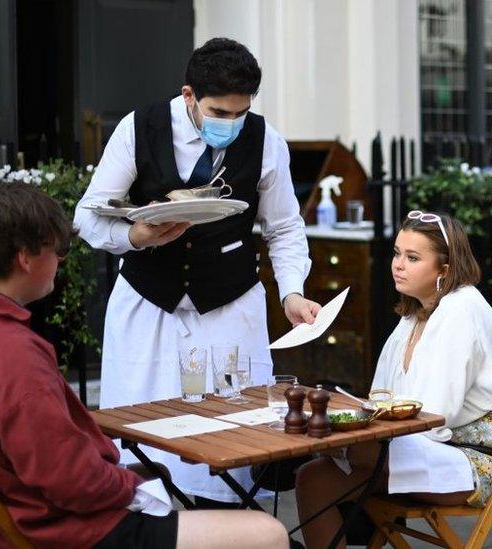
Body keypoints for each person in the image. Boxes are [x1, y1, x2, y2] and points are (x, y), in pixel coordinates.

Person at [0, 183, 288, 549]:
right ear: (25, 258)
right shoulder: (10, 353)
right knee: (266, 532)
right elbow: (68, 479)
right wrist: (134, 489)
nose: (61, 260)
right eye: (58, 248)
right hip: (60, 530)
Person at [74, 38, 320, 506]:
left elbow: (285, 228)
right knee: (141, 437)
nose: (231, 123)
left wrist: (291, 292)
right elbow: (86, 216)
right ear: (189, 96)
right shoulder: (137, 128)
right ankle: (149, 527)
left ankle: (227, 523)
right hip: (148, 307)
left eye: (240, 113)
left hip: (230, 307)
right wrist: (135, 237)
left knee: (233, 436)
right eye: (218, 112)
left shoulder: (267, 141)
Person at [294, 211, 492, 548]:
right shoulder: (415, 313)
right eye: (397, 253)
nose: (398, 265)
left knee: (343, 443)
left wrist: (361, 424)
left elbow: (434, 416)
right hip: (418, 445)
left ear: (444, 270)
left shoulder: (461, 310)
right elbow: (381, 395)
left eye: (413, 257)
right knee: (312, 477)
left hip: (469, 460)